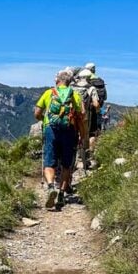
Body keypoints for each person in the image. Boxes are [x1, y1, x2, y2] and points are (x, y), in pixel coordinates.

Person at [35, 70, 86, 210]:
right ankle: (62, 194)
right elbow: (82, 115)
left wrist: (44, 121)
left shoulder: (49, 93)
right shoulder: (75, 95)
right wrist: (82, 135)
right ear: (70, 82)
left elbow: (37, 113)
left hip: (51, 130)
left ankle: (51, 186)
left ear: (57, 80)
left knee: (49, 162)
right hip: (70, 131)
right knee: (66, 164)